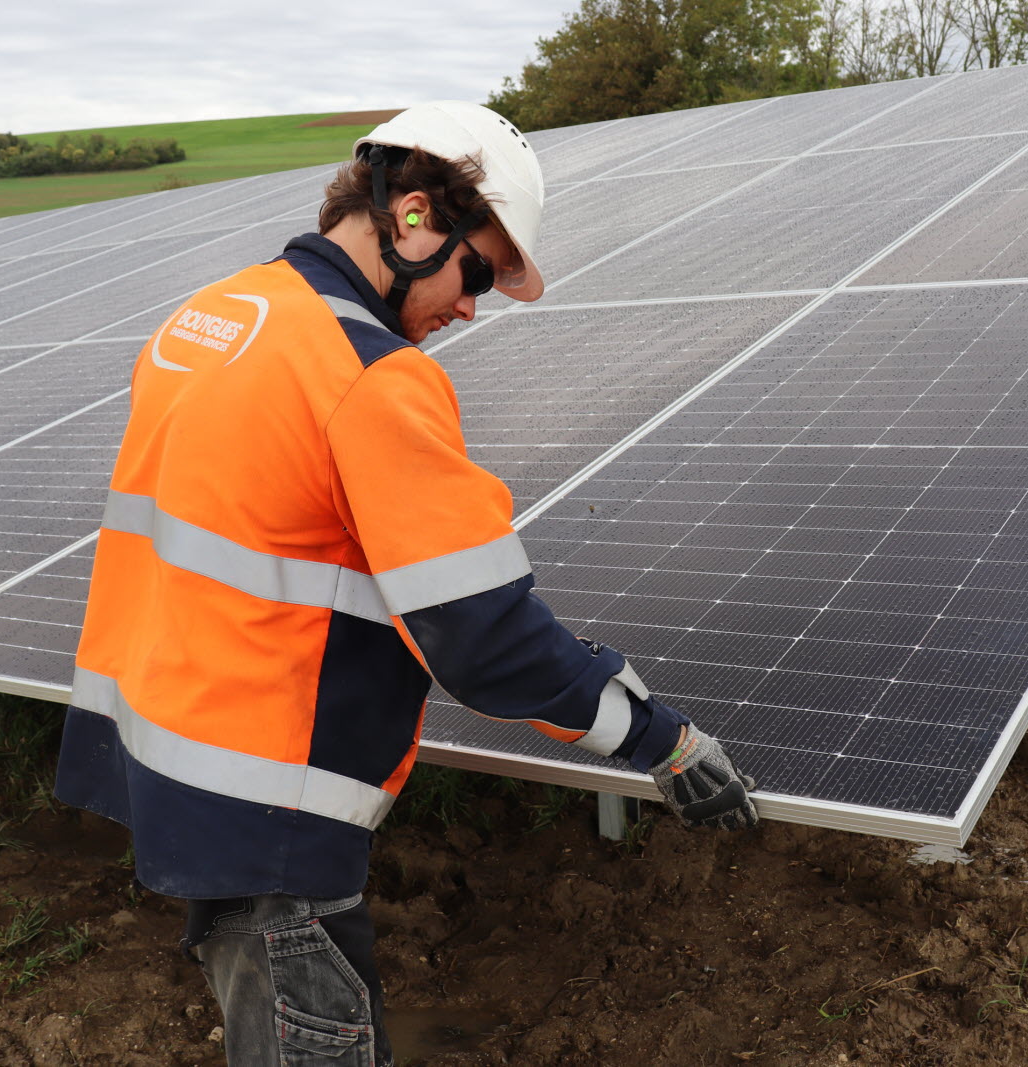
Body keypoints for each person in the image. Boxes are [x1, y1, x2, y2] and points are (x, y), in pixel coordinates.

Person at [53, 100, 758, 1067]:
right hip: (274, 811)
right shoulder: (366, 374)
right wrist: (660, 737)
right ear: (415, 217)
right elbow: (484, 635)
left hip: (174, 766)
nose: (470, 306)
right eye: (477, 270)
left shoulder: (215, 316)